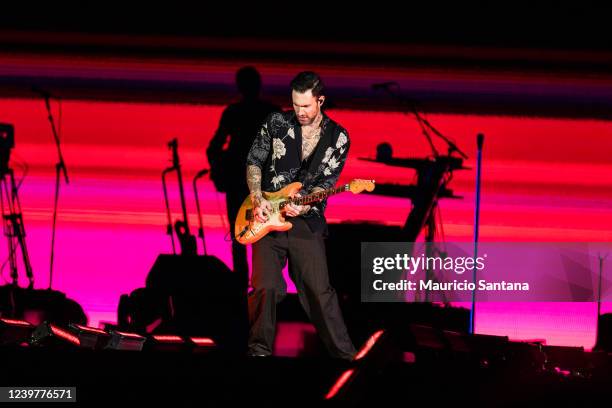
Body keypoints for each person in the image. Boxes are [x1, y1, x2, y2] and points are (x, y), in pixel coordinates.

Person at [245, 71, 356, 360]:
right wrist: (257, 197)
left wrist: (305, 206)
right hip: (267, 217)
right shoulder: (276, 122)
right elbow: (254, 160)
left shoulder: (338, 137)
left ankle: (347, 359)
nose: (300, 112)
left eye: (306, 106)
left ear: (320, 100)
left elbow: (326, 184)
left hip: (307, 221)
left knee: (319, 293)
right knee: (265, 287)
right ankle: (258, 354)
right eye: (295, 105)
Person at [207, 66, 280, 289]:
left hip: (240, 182)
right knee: (262, 234)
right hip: (259, 184)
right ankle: (262, 283)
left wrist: (219, 171)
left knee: (240, 235)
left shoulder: (234, 113)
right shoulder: (270, 112)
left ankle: (242, 283)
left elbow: (213, 149)